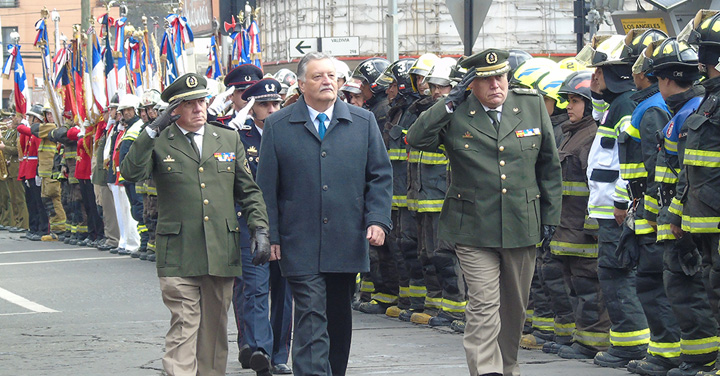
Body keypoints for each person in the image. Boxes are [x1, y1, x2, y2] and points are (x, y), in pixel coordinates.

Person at [407, 48, 562, 376]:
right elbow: (417, 138)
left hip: (522, 223)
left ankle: (508, 367)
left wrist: (550, 218)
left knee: (514, 309)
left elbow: (549, 166)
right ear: (471, 84)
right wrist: (449, 102)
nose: (495, 85)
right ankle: (487, 371)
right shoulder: (457, 111)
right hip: (473, 227)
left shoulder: (531, 106)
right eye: (485, 79)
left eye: (500, 77)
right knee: (483, 304)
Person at [120, 72, 270, 376]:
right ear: (175, 109)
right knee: (185, 321)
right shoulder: (161, 140)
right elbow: (131, 172)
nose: (199, 108)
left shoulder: (227, 138)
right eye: (190, 104)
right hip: (178, 250)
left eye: (202, 101)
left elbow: (248, 190)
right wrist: (151, 131)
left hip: (221, 249)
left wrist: (260, 228)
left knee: (214, 328)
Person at [256, 52, 392, 376]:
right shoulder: (278, 125)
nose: (327, 81)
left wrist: (377, 220)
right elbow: (266, 188)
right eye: (317, 76)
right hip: (298, 241)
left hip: (346, 240)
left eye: (332, 76)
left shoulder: (362, 122)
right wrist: (270, 235)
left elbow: (380, 176)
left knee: (338, 321)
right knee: (311, 318)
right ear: (302, 84)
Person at [579, 35, 651, 365]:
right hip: (611, 210)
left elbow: (629, 163)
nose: (592, 77)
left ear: (619, 73)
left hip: (616, 211)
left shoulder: (626, 107)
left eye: (599, 71)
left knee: (618, 274)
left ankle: (631, 345)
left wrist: (623, 203)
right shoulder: (618, 106)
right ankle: (626, 344)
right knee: (613, 274)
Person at [232, 78, 293, 376]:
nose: (271, 109)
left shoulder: (292, 133)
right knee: (255, 288)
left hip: (287, 225)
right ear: (251, 107)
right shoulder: (239, 138)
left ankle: (280, 353)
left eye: (275, 104)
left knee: (284, 292)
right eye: (264, 105)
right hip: (251, 224)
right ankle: (260, 351)